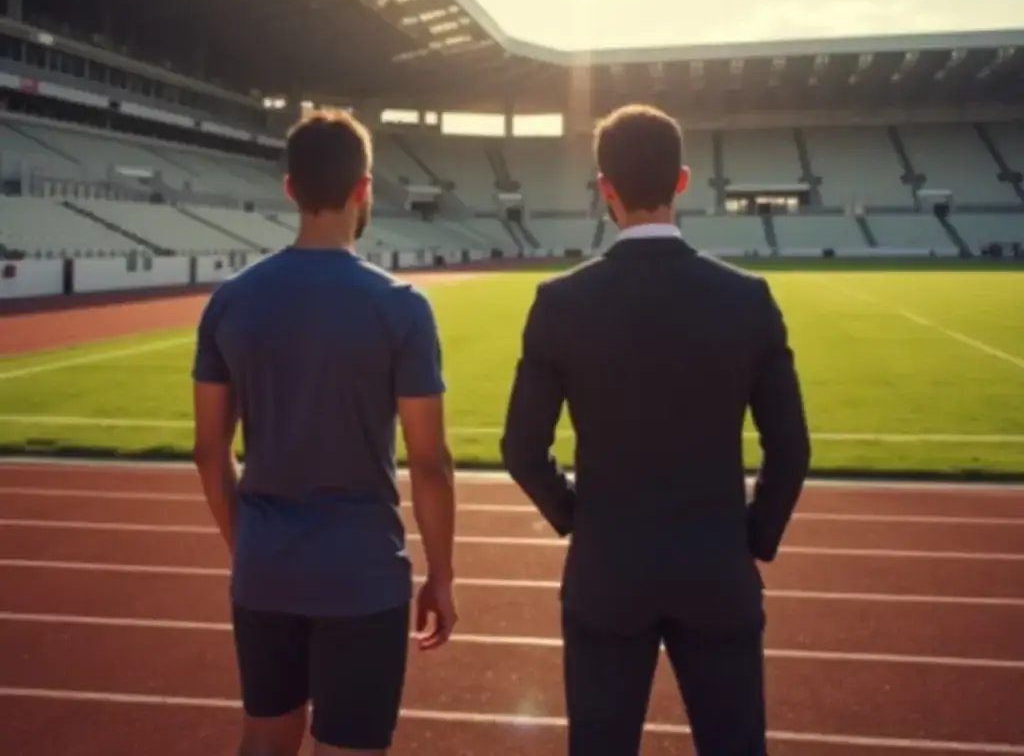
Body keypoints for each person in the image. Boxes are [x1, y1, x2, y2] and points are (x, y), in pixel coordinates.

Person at [501, 103, 810, 756]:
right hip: (716, 568)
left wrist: (578, 516)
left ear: (604, 187)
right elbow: (791, 448)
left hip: (608, 571)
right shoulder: (746, 298)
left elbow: (523, 449)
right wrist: (753, 535)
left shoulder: (560, 303)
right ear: (683, 180)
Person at [191, 111, 457, 756]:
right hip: (362, 573)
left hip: (264, 569)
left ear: (290, 189)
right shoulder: (400, 305)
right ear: (364, 189)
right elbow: (429, 460)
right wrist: (443, 576)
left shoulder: (231, 300)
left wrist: (245, 541)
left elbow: (208, 450)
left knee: (266, 735)